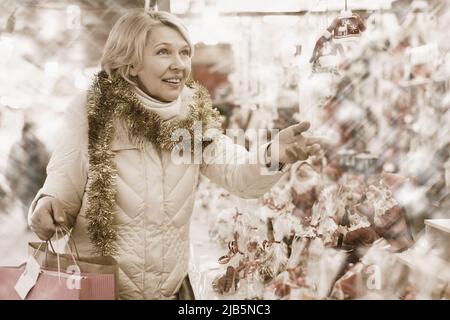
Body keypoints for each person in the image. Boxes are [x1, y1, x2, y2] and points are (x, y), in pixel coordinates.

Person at [28, 9, 322, 300]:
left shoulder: (190, 118)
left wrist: (273, 154)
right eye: (163, 52)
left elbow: (238, 175)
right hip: (100, 290)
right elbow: (60, 194)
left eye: (184, 53)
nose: (179, 64)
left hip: (171, 292)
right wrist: (46, 210)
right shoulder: (92, 112)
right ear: (131, 64)